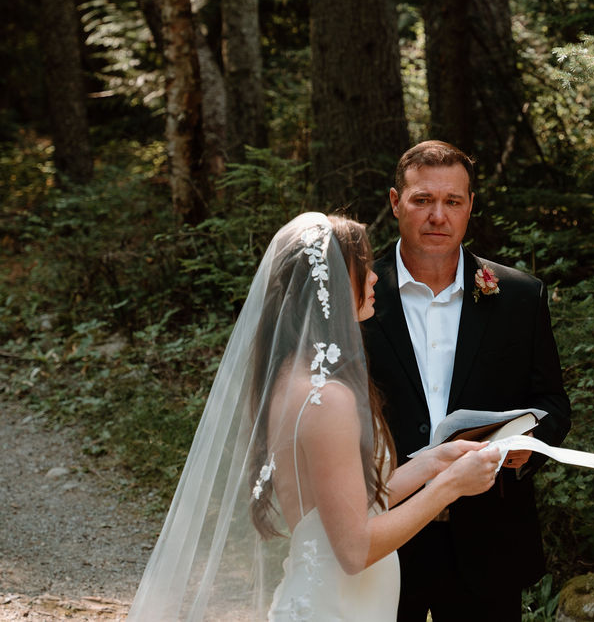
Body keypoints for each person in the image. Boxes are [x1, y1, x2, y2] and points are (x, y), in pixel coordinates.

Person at [127, 212, 501, 621]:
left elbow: (347, 507)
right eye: (364, 269)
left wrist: (432, 464)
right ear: (335, 285)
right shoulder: (328, 399)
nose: (375, 278)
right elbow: (354, 549)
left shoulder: (294, 377)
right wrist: (449, 488)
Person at [362, 140, 572, 621]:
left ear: (470, 206)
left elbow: (552, 402)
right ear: (395, 203)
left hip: (488, 535)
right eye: (422, 200)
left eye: (453, 201)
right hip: (385, 534)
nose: (439, 215)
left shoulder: (519, 296)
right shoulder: (360, 297)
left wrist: (530, 442)